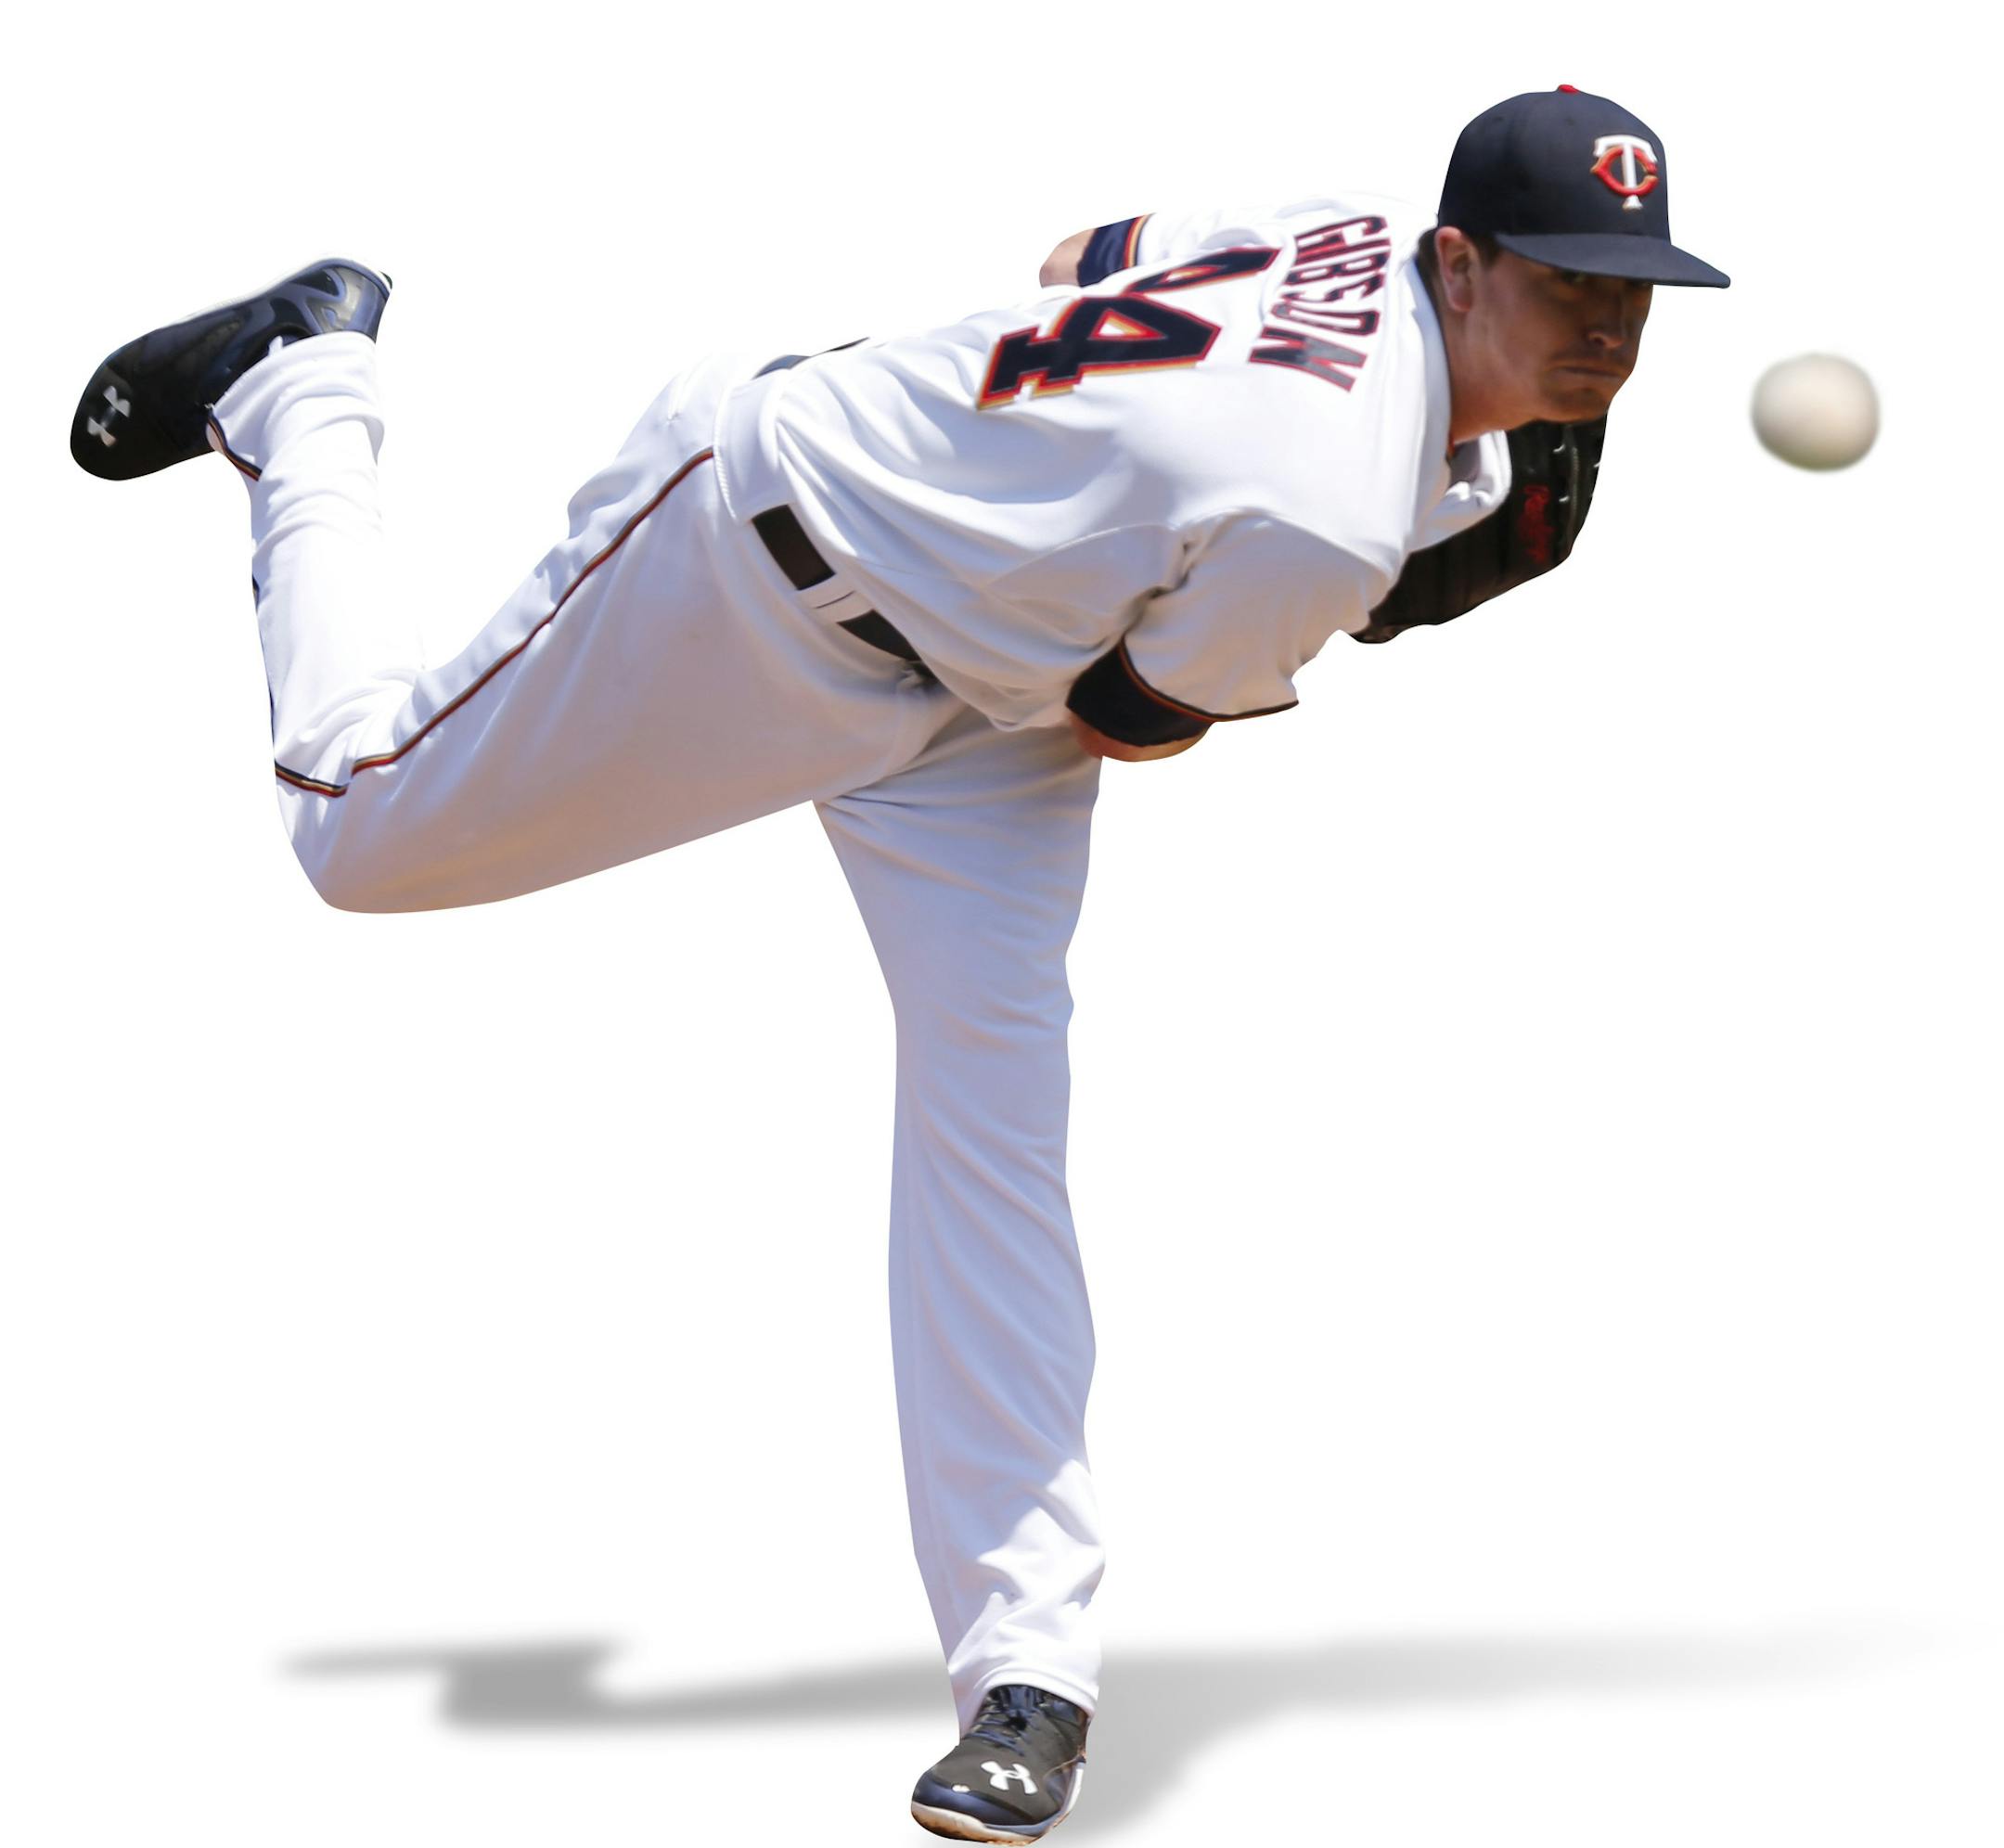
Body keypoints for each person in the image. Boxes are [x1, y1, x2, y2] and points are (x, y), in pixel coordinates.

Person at [71, 83, 1726, 1845]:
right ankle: (301, 386)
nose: (1608, 325)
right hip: (757, 573)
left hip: (982, 692)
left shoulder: (1339, 226)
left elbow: (1082, 262)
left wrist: (1130, 482)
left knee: (995, 1141)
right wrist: (1363, 551)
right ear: (1460, 263)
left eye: (1632, 291)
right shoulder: (1320, 511)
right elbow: (1137, 715)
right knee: (360, 829)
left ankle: (1033, 1679)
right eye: (1565, 285)